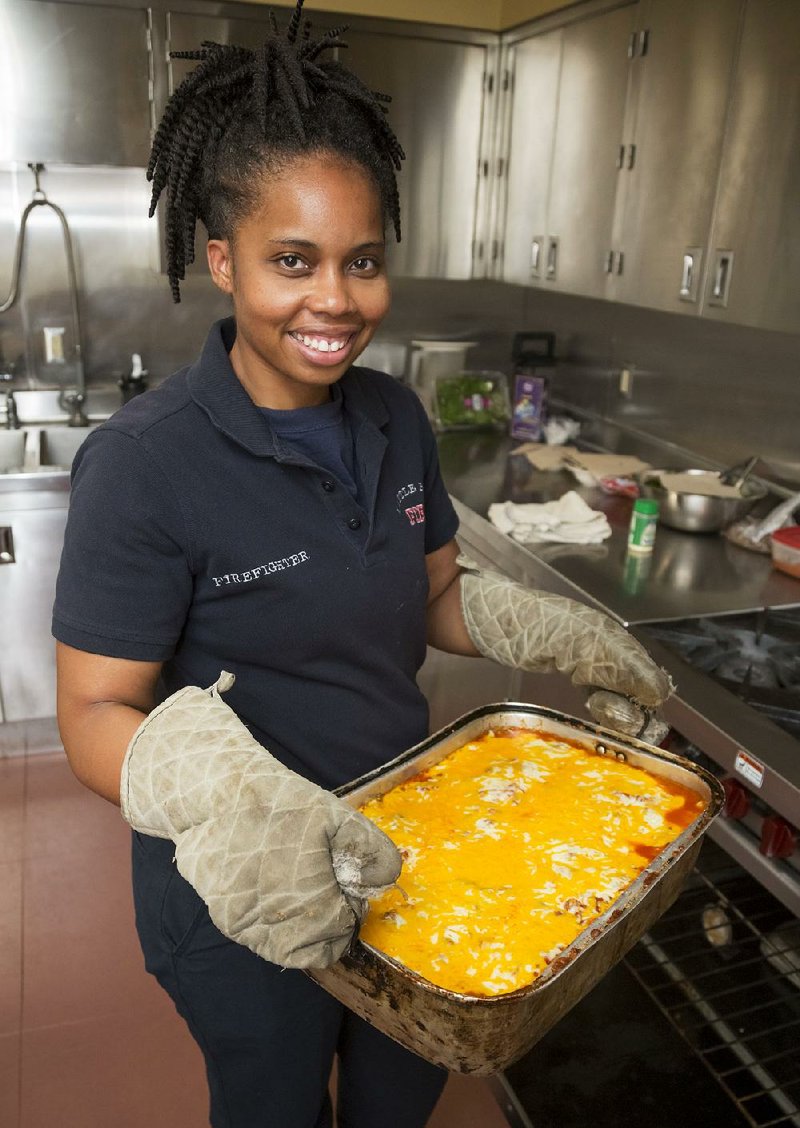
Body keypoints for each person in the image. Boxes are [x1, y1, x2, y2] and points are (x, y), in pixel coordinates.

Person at [53, 5, 672, 1126]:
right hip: (246, 886)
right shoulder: (144, 464)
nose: (334, 300)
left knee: (398, 1095)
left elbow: (431, 596)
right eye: (292, 261)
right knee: (274, 1102)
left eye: (362, 261)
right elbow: (96, 707)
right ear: (220, 258)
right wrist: (230, 806)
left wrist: (546, 631)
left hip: (405, 849)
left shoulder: (395, 418)